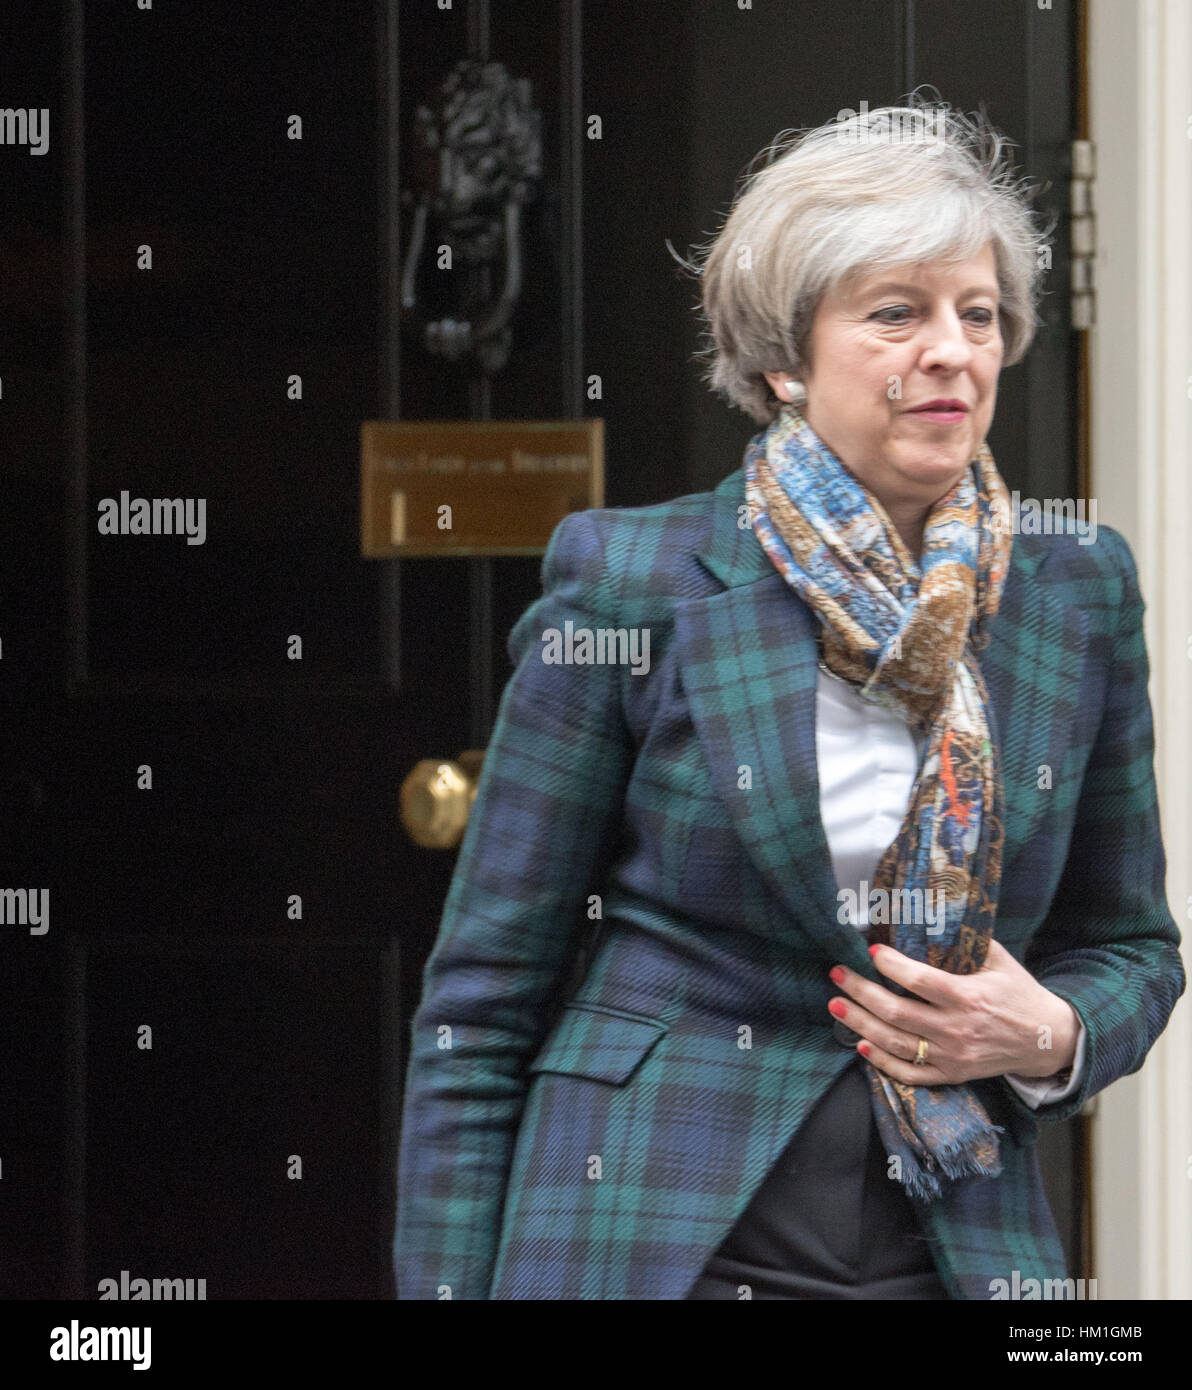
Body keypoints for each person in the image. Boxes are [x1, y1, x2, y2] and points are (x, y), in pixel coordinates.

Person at [392, 100, 1185, 1300]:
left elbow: (1131, 948)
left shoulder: (1077, 591)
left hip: (959, 1242)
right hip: (649, 1231)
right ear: (782, 357)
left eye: (976, 315)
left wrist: (1047, 1035)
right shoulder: (632, 579)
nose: (950, 350)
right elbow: (481, 1001)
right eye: (894, 313)